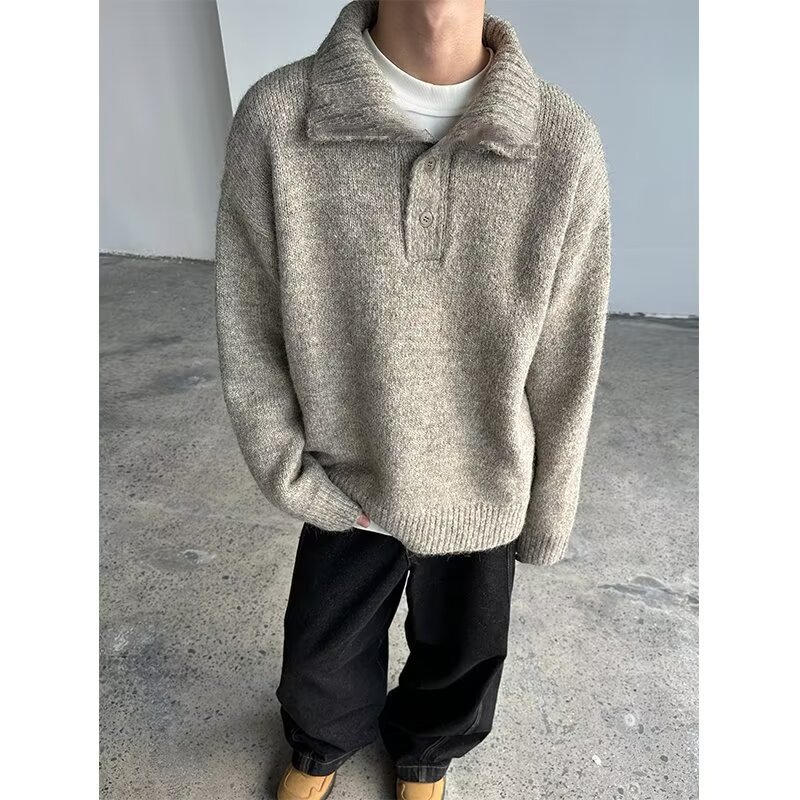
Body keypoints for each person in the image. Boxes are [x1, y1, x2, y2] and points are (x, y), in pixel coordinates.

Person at [214, 1, 611, 798]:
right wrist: (290, 473)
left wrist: (547, 506)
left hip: (485, 476)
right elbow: (248, 320)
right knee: (321, 657)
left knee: (464, 656)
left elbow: (569, 355)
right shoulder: (281, 120)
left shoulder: (561, 141)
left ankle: (426, 755)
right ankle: (321, 745)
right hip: (348, 474)